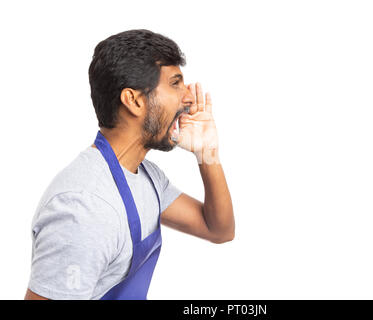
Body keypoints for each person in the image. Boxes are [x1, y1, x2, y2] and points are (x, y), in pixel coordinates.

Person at [24, 29, 234, 300]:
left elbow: (219, 229)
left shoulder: (146, 177)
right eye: (175, 83)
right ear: (133, 100)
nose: (189, 98)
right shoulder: (84, 208)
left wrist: (208, 153)